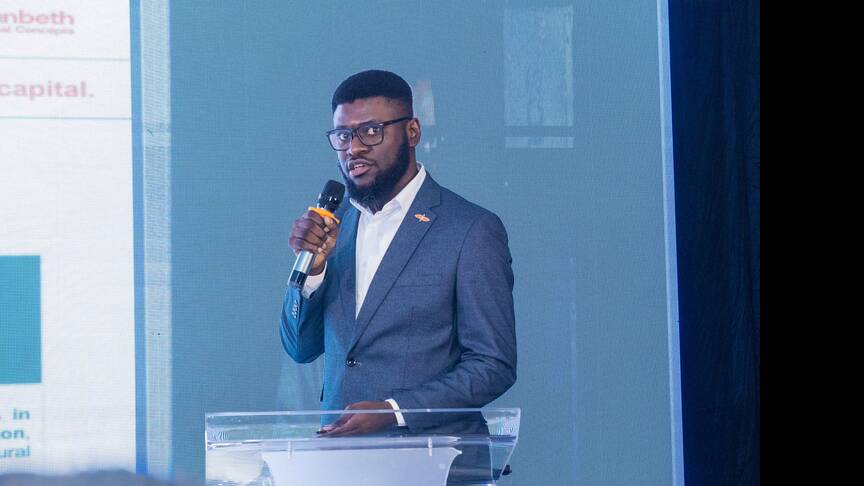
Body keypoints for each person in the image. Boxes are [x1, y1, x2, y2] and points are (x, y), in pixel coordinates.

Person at [280, 69, 516, 436]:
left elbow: (493, 364)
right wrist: (312, 273)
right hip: (341, 457)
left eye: (371, 131)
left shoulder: (470, 229)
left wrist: (395, 411)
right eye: (343, 135)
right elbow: (300, 348)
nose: (354, 148)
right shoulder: (333, 228)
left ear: (412, 132)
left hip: (433, 457)